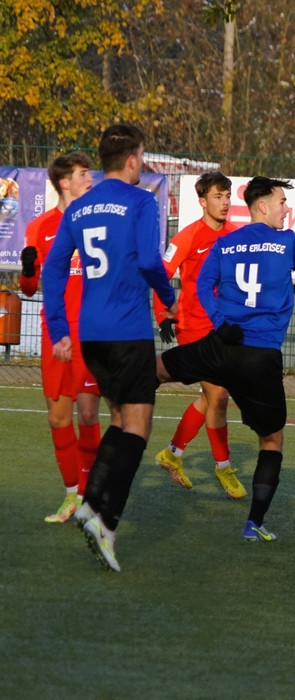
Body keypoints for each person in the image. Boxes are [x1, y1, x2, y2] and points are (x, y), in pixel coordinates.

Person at [42, 124, 178, 572]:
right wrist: (169, 296)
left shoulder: (79, 207)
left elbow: (53, 269)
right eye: (143, 155)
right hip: (127, 329)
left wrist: (59, 327)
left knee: (118, 420)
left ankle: (90, 503)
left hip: (90, 334)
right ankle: (106, 522)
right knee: (138, 426)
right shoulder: (141, 200)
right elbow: (149, 260)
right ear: (133, 158)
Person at [157, 176, 295, 543]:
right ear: (263, 206)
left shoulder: (226, 241)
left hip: (220, 343)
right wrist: (292, 244)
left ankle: (121, 436)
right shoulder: (285, 240)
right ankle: (253, 522)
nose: (286, 209)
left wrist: (218, 320)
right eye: (282, 202)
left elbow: (202, 284)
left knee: (159, 370)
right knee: (271, 439)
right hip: (259, 354)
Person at [19, 151, 102, 523]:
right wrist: (26, 269)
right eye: (83, 173)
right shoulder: (40, 227)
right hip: (56, 335)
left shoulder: (98, 221)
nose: (90, 179)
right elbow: (29, 287)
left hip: (92, 333)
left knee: (88, 413)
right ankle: (72, 495)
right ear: (64, 182)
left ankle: (91, 496)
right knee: (58, 418)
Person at [153, 171, 246, 499]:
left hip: (221, 331)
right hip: (192, 328)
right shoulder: (188, 236)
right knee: (218, 396)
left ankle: (172, 454)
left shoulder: (235, 236)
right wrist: (163, 313)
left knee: (210, 397)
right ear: (202, 201)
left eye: (227, 196)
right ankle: (224, 467)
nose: (225, 202)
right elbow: (161, 274)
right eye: (218, 196)